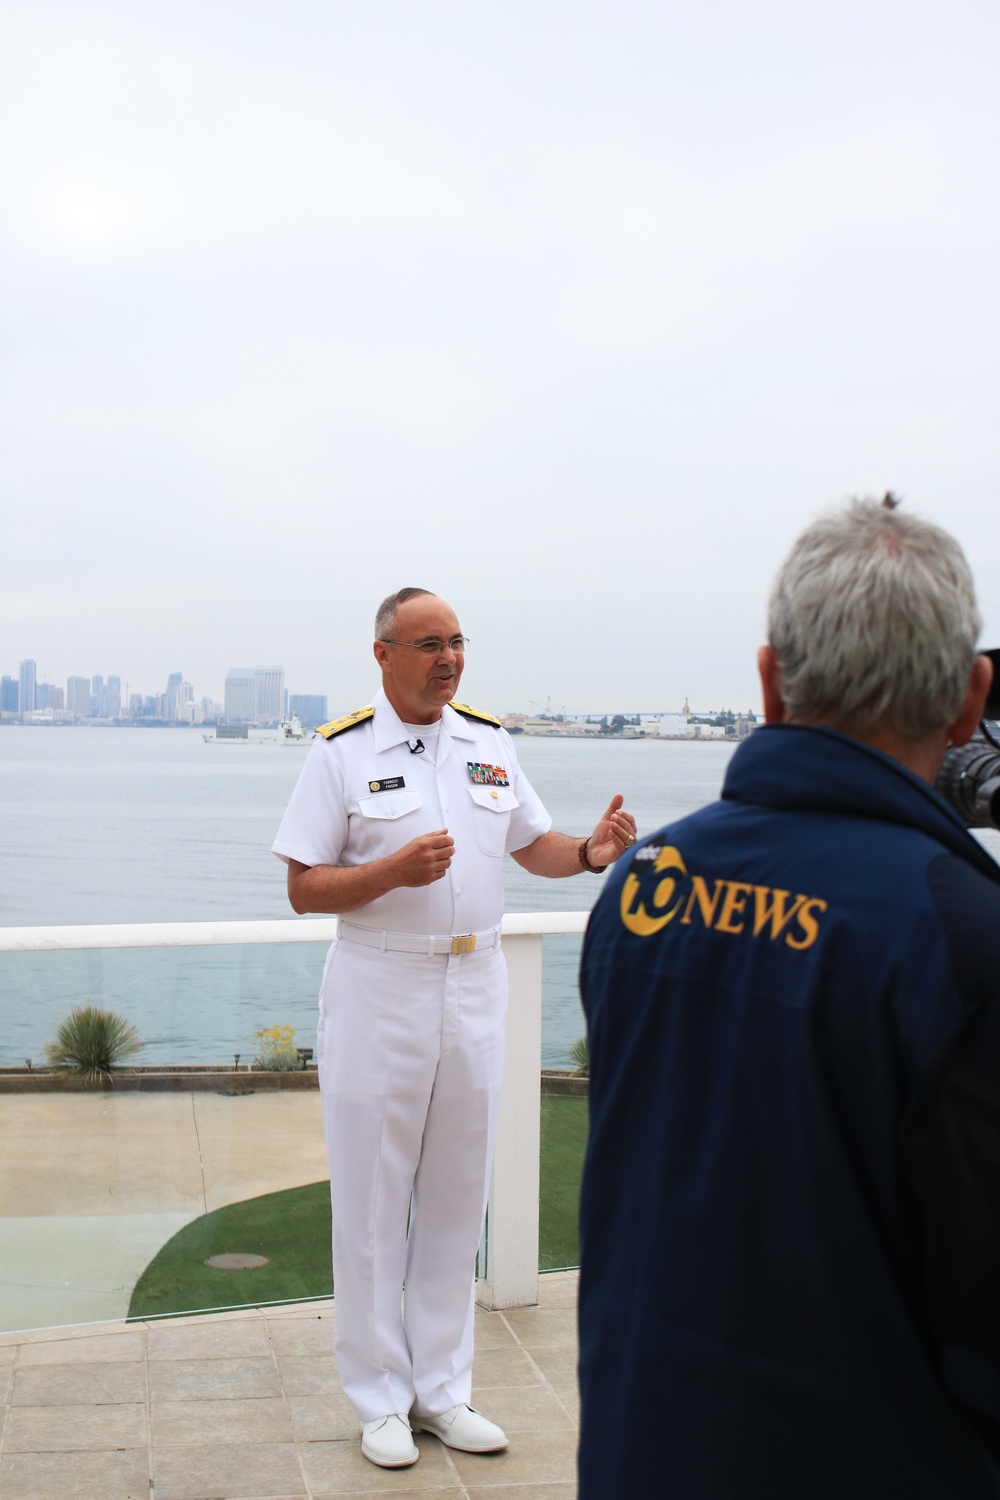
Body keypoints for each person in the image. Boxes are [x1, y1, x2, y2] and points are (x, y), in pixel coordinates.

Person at [577, 499, 1000, 1499]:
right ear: (970, 697)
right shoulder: (958, 935)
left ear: (767, 680)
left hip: (644, 1448)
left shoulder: (643, 884)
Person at [272, 586, 637, 1470]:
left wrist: (590, 853)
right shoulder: (341, 754)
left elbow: (531, 844)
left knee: (454, 1195)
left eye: (458, 643)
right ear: (384, 655)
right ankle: (378, 1401)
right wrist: (390, 872)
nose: (449, 659)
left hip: (476, 982)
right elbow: (303, 886)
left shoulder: (488, 742)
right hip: (378, 987)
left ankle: (442, 1390)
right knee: (371, 1201)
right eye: (429, 644)